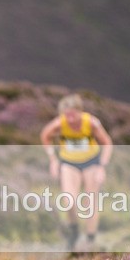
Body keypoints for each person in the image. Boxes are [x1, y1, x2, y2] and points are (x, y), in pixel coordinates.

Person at [40, 94, 113, 251]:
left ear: (80, 111)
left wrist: (102, 167)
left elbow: (107, 143)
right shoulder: (59, 124)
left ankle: (90, 239)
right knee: (69, 201)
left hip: (91, 162)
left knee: (90, 203)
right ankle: (74, 232)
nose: (70, 119)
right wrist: (53, 159)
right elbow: (45, 136)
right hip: (69, 163)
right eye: (67, 115)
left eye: (73, 114)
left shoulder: (91, 123)